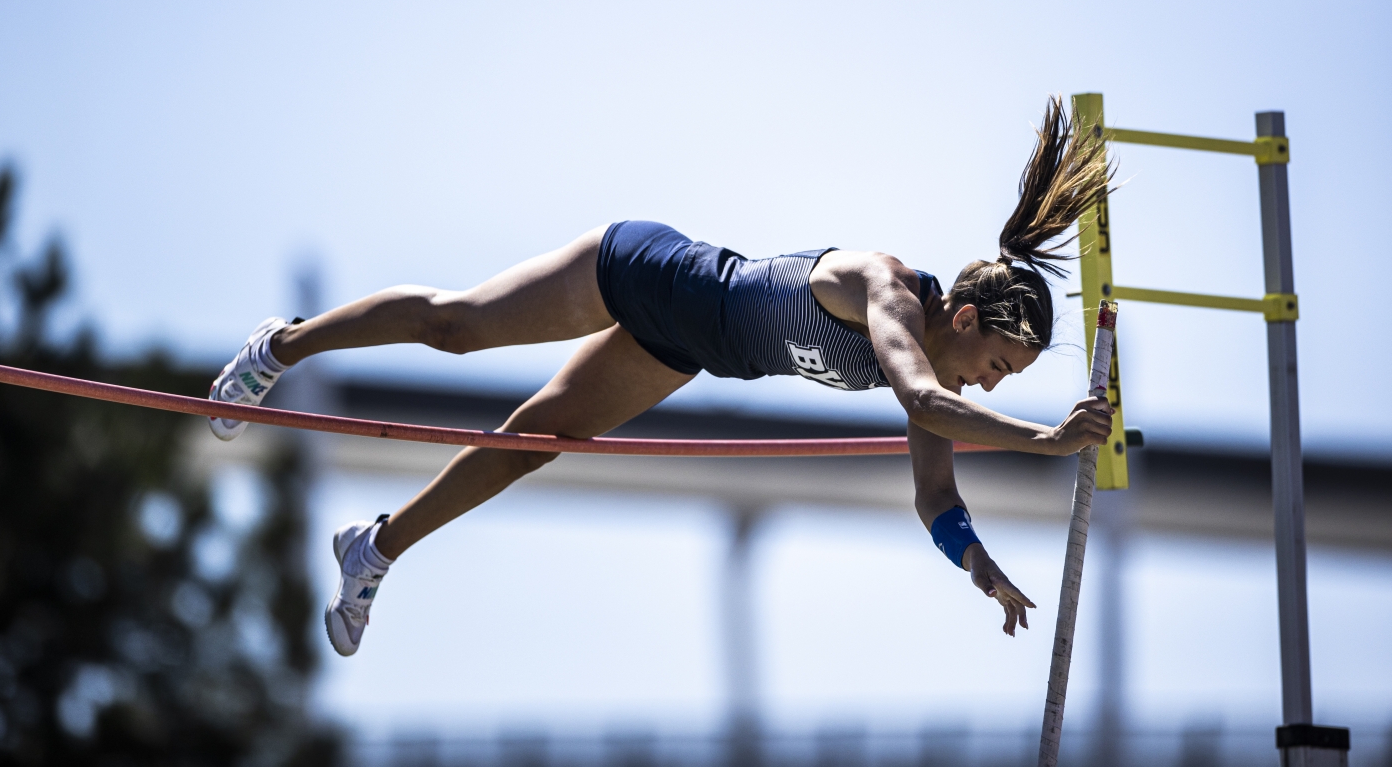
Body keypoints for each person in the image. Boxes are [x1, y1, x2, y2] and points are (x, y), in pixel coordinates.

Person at [206, 96, 1115, 657]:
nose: (993, 387)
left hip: (684, 349)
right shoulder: (889, 296)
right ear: (964, 322)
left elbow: (933, 498)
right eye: (999, 366)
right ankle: (278, 348)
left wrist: (982, 570)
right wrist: (1045, 441)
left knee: (528, 446)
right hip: (653, 274)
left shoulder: (929, 379)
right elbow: (926, 399)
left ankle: (372, 551)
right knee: (456, 328)